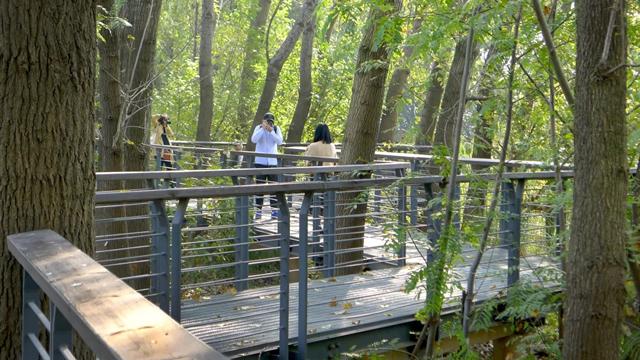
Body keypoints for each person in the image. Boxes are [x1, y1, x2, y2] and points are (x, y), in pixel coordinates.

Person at [251, 112, 283, 219]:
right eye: (267, 121)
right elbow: (254, 140)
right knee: (259, 188)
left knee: (273, 188)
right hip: (260, 162)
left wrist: (271, 131)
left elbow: (279, 142)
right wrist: (262, 129)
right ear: (263, 121)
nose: (269, 123)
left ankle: (274, 210)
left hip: (272, 163)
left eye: (270, 121)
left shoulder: (276, 129)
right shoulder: (258, 128)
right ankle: (258, 210)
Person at [151, 114, 176, 187]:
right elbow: (152, 118)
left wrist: (166, 126)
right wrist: (160, 116)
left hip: (167, 150)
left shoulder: (166, 127)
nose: (166, 121)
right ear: (162, 120)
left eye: (167, 120)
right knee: (160, 167)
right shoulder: (157, 126)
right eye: (165, 120)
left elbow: (172, 134)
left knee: (169, 166)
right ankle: (158, 184)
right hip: (160, 151)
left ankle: (171, 183)